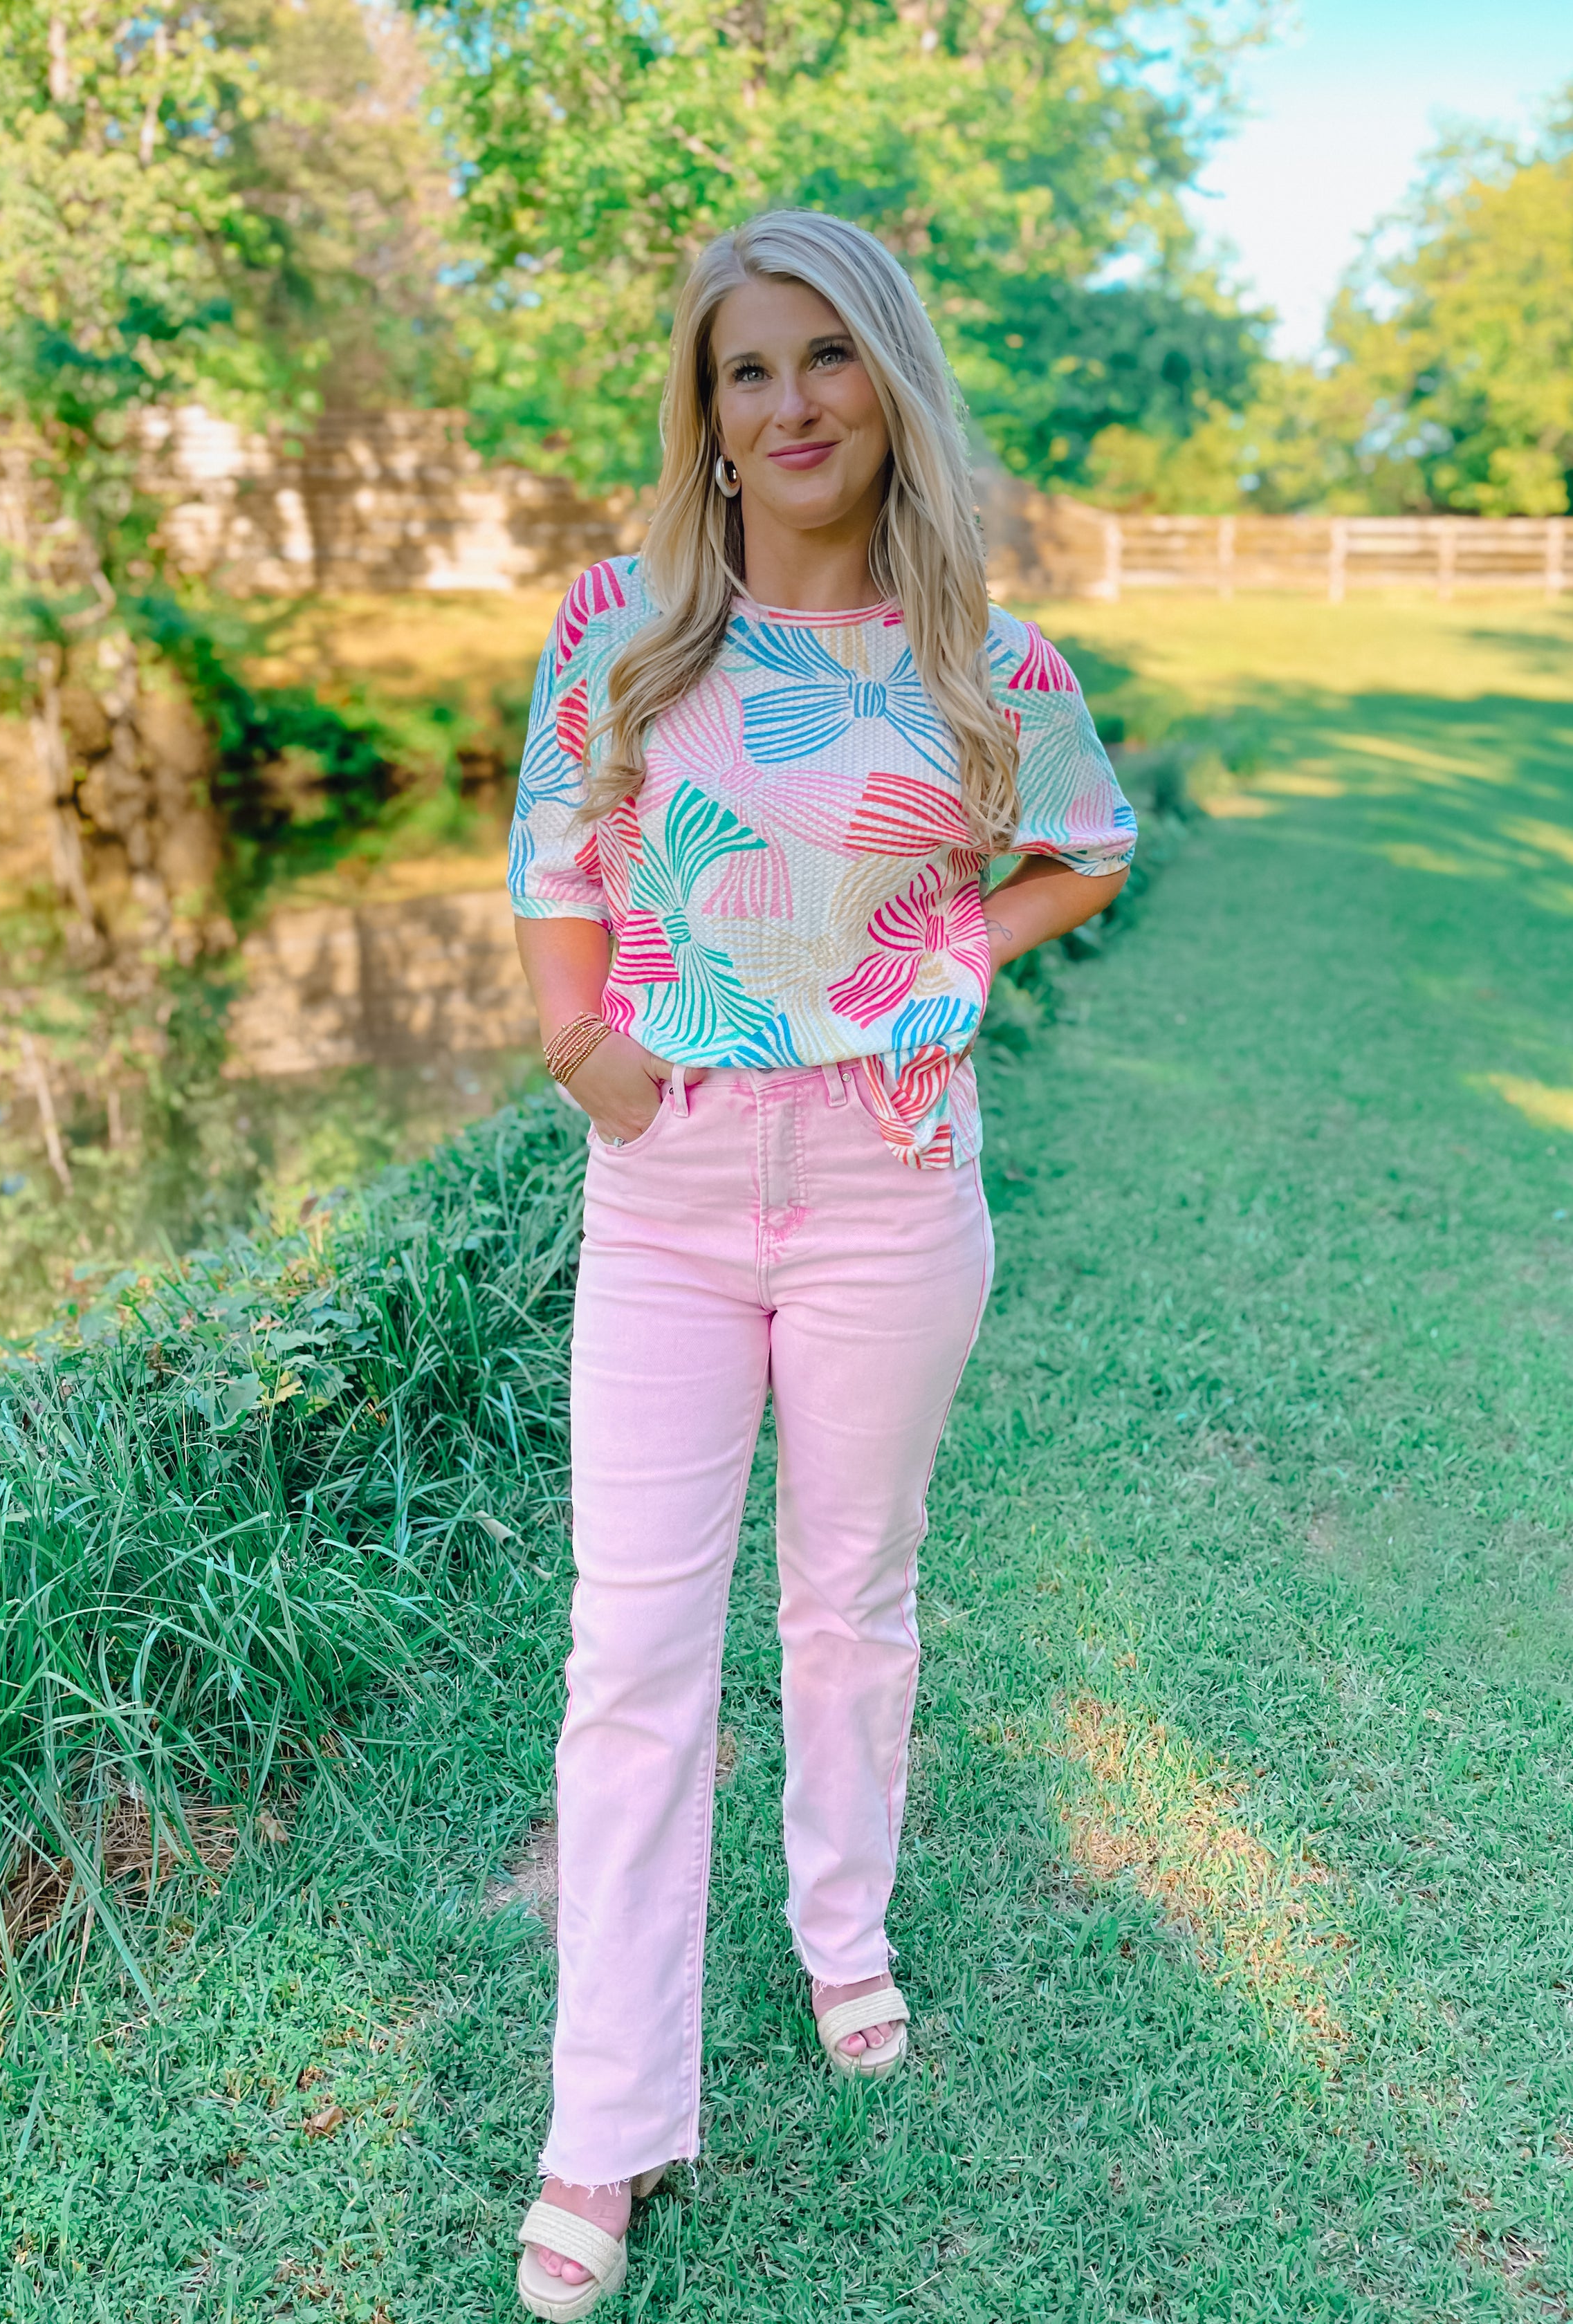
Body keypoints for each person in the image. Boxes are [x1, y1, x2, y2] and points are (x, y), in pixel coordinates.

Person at [506, 208, 1135, 2318]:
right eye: (746, 369)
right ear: (705, 410)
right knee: (633, 1652)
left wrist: (953, 953)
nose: (789, 403)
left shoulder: (984, 661)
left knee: (852, 1598)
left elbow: (1090, 847)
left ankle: (839, 1932)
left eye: (825, 357)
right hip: (670, 1193)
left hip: (891, 1186)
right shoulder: (618, 627)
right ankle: (606, 2123)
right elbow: (554, 858)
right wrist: (589, 1054)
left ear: (890, 382)